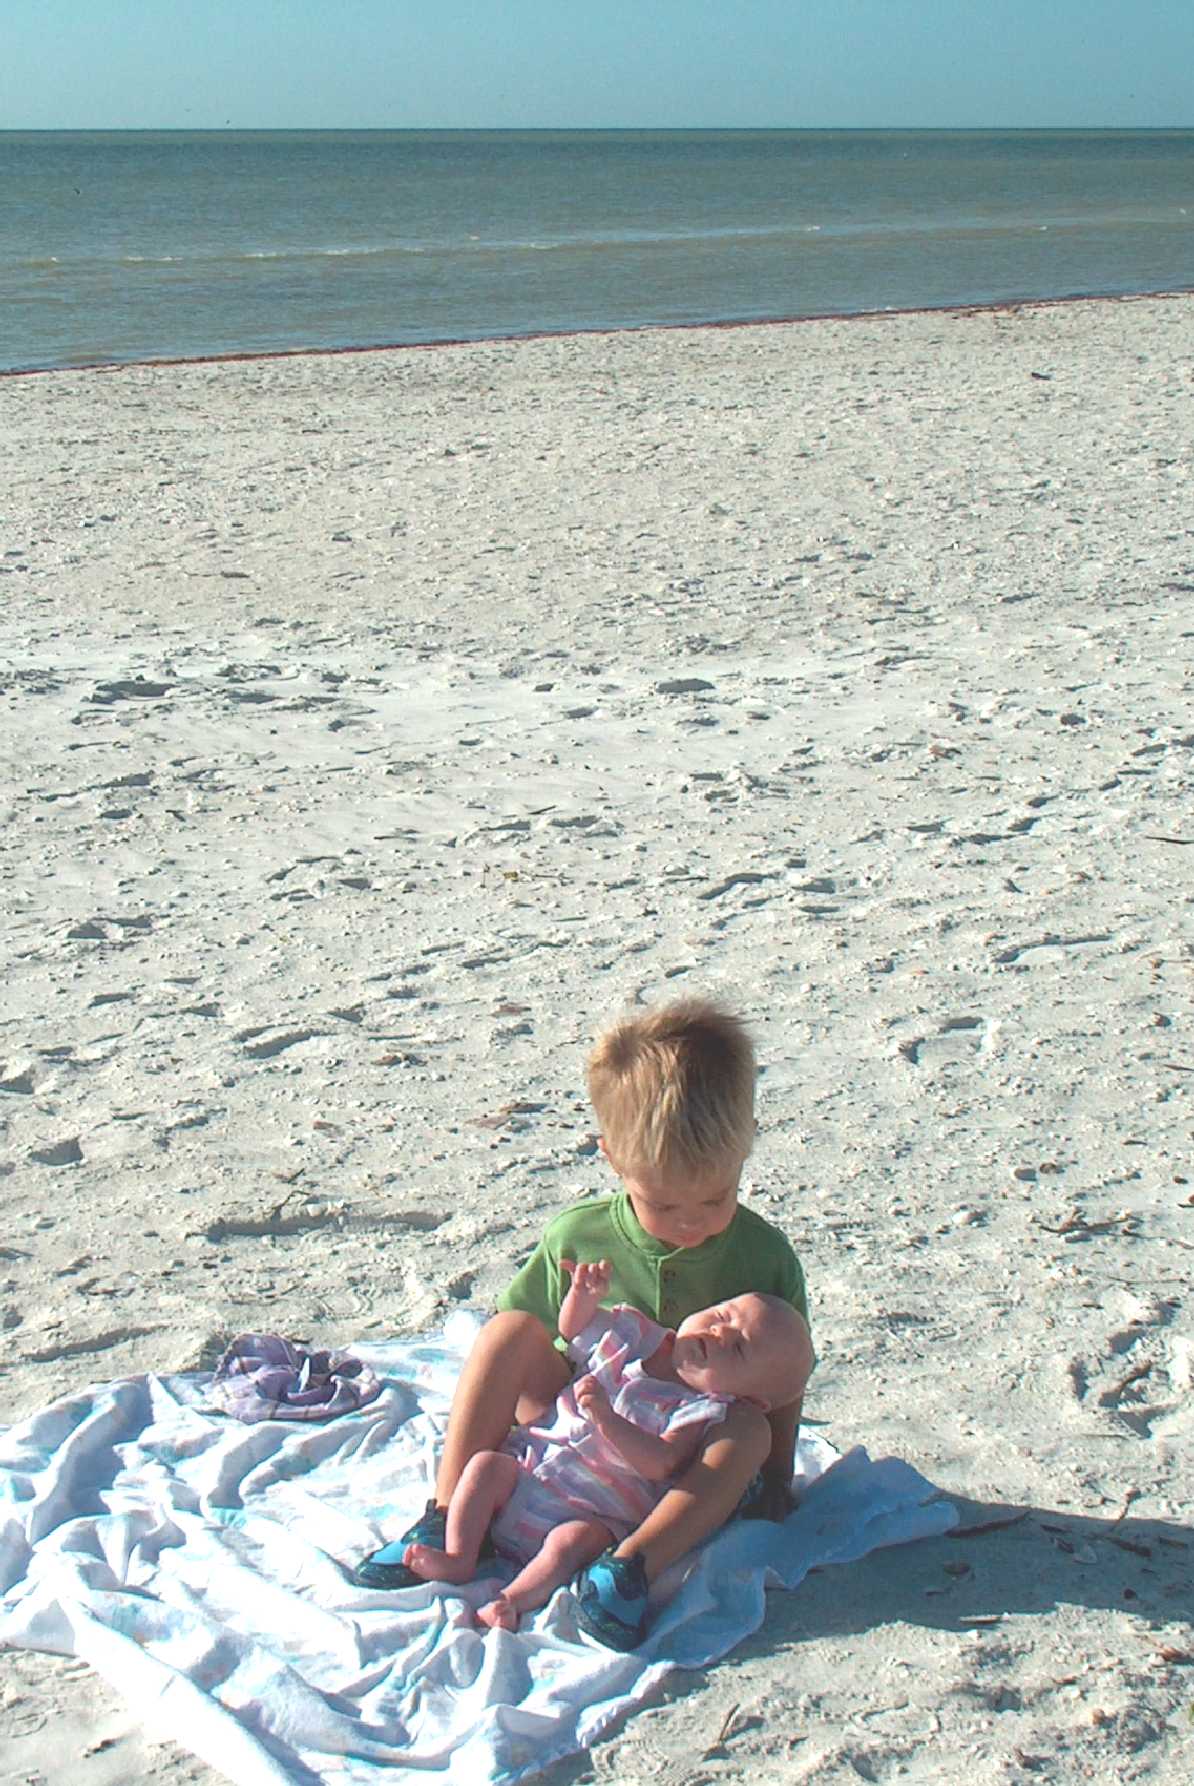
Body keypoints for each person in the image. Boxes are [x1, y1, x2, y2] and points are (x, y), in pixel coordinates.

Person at [354, 997, 814, 1648]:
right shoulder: (582, 1236)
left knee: (748, 1433)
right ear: (613, 1160)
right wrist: (577, 1365)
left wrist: (776, 1476)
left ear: (745, 1150)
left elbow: (785, 1380)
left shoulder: (762, 1258)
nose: (691, 1222)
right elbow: (542, 1341)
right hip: (580, 1413)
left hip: (677, 1453)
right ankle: (444, 1514)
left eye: (716, 1198)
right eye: (662, 1202)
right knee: (506, 1331)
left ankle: (631, 1566)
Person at [399, 1261, 810, 1631]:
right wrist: (583, 1296)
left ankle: (510, 1600)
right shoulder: (636, 1333)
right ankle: (458, 1554)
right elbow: (573, 1331)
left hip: (589, 1510)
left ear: (750, 1399)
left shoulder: (702, 1409)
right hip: (528, 1471)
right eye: (721, 1315)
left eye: (738, 1348)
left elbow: (660, 1463)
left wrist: (608, 1419)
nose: (719, 1333)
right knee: (485, 1467)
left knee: (571, 1544)